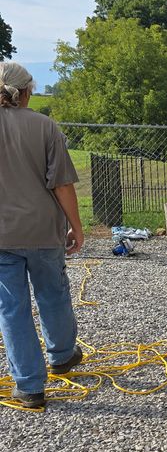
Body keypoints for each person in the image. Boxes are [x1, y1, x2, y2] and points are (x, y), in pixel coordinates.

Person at [0, 62, 84, 409]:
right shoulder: (46, 126)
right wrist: (76, 227)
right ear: (27, 92)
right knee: (53, 294)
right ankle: (63, 356)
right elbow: (62, 184)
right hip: (44, 231)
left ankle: (30, 386)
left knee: (11, 308)